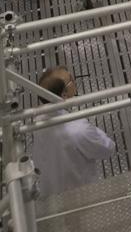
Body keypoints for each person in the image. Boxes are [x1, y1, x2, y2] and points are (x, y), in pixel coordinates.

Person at [30, 66, 115, 198]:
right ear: (63, 95)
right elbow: (108, 148)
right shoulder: (79, 130)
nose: (74, 81)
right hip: (79, 196)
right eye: (71, 80)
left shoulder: (38, 117)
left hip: (49, 193)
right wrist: (94, 131)